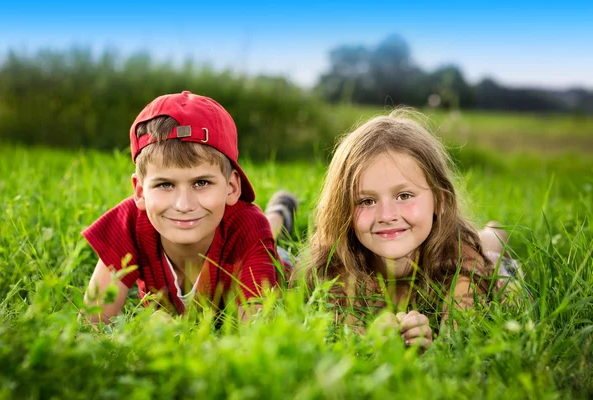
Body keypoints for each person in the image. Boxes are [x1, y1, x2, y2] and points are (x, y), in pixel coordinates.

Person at [290, 109, 512, 350]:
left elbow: (461, 333)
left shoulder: (460, 261)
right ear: (343, 209)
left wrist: (431, 342)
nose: (386, 216)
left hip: (459, 248)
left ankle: (494, 233)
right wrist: (370, 337)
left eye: (404, 195)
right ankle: (281, 210)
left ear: (440, 200)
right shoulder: (336, 265)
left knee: (488, 247)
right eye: (366, 201)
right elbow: (345, 329)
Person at [81, 91, 280, 325]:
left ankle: (279, 211)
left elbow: (257, 332)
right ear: (140, 191)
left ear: (231, 186)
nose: (183, 205)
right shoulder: (129, 223)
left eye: (202, 183)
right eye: (165, 184)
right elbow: (91, 325)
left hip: (265, 249)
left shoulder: (248, 226)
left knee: (273, 234)